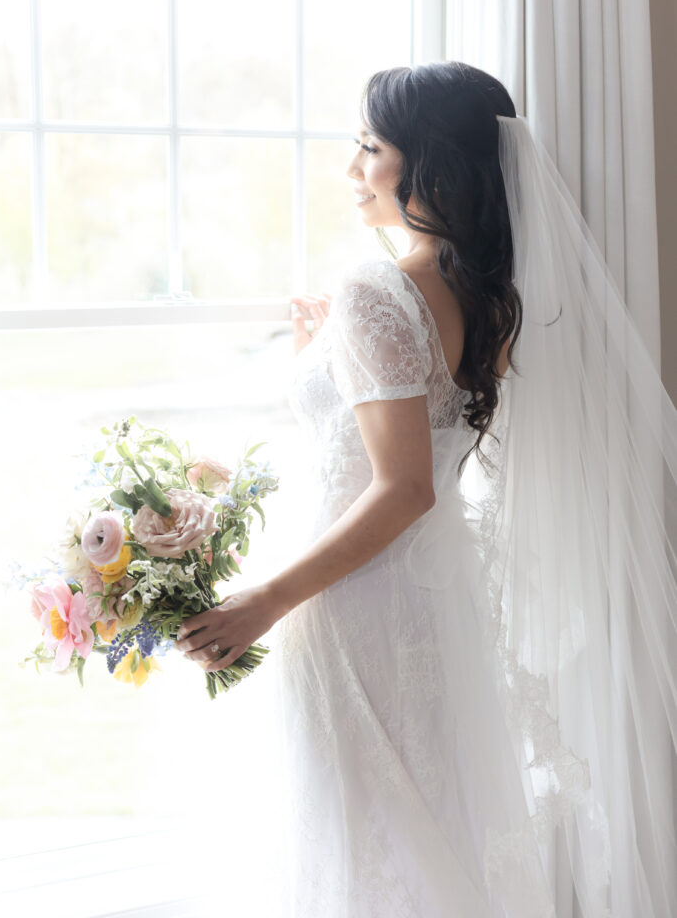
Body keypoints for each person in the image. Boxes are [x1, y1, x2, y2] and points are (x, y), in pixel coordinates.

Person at [174, 62, 677, 916]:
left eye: (369, 148)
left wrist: (264, 602)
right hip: (432, 608)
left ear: (428, 167)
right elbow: (405, 435)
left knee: (359, 844)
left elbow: (403, 489)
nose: (351, 170)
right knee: (425, 832)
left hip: (351, 607)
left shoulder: (376, 289)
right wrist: (324, 353)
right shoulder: (487, 296)